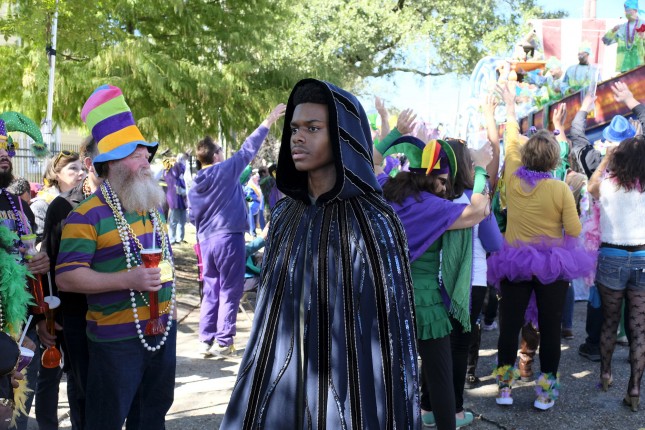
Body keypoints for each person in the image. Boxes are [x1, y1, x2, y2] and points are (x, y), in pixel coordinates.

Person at [220, 79, 420, 429]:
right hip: (282, 382)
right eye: (294, 128)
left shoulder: (376, 221)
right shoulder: (285, 215)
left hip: (348, 388)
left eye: (313, 128)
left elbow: (390, 334)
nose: (298, 137)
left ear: (343, 137)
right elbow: (269, 313)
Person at [56, 85, 177, 430]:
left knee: (152, 418)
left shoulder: (151, 206)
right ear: (113, 164)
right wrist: (128, 279)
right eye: (137, 155)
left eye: (146, 154)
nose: (146, 162)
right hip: (114, 342)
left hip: (162, 332)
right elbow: (66, 277)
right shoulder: (85, 216)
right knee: (105, 421)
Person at [374, 109, 491, 430]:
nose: (445, 188)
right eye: (443, 181)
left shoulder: (388, 191)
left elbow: (372, 163)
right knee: (440, 379)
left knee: (388, 379)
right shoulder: (437, 208)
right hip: (425, 303)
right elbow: (479, 210)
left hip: (386, 299)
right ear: (432, 178)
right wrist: (482, 167)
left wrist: (393, 131)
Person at [487, 82, 595, 410]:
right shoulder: (560, 189)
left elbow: (510, 140)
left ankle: (504, 390)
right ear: (554, 160)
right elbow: (574, 230)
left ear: (525, 156)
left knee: (508, 329)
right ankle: (545, 394)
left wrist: (509, 108)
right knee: (549, 330)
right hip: (552, 265)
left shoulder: (513, 179)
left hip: (514, 262)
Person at [189, 104, 285, 357]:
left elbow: (192, 216)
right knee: (230, 288)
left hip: (205, 241)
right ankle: (224, 340)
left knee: (211, 289)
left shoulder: (194, 184)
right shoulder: (225, 170)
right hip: (228, 237)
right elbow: (248, 149)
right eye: (221, 150)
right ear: (216, 155)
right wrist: (268, 121)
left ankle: (205, 340)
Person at [570, 82, 645, 361]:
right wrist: (631, 101)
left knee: (599, 295)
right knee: (636, 301)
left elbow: (577, 137)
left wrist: (584, 109)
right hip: (639, 245)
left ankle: (594, 346)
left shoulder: (595, 162)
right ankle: (633, 349)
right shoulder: (642, 166)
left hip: (603, 241)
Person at [40, 137, 101, 430]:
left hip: (119, 314)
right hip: (75, 315)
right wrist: (48, 317)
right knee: (82, 387)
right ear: (92, 163)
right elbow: (48, 266)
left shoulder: (128, 202)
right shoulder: (62, 206)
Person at [587, 134, 645, 412]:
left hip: (611, 257)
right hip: (643, 258)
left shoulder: (608, 185)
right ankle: (634, 388)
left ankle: (605, 374)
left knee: (610, 321)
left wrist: (606, 159)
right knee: (639, 327)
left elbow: (590, 187)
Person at [0, 116, 50, 430]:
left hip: (22, 321)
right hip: (3, 327)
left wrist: (40, 261)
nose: (3, 154)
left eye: (5, 147)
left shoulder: (18, 205)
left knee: (16, 416)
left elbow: (29, 259)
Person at [602, 1, 645, 74]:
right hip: (625, 66)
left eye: (629, 10)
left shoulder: (643, 24)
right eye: (626, 11)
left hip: (640, 65)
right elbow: (606, 41)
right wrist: (612, 31)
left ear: (635, 10)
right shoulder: (622, 28)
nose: (627, 13)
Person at [164, 157, 188, 244]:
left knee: (182, 220)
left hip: (182, 201)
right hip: (175, 200)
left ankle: (180, 238)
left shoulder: (180, 177)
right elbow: (176, 171)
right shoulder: (168, 173)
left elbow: (182, 169)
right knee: (174, 221)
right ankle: (172, 239)